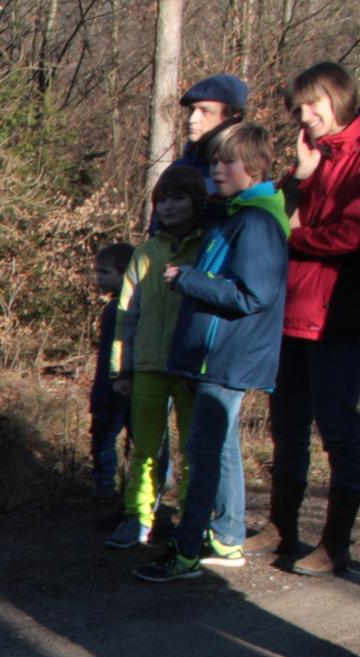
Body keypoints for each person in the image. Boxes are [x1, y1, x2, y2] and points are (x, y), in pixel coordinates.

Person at [136, 122, 291, 583]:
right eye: (214, 162)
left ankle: (185, 553)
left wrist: (189, 279)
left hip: (227, 357)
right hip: (219, 356)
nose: (217, 170)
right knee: (220, 450)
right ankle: (226, 538)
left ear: (254, 167)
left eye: (227, 162)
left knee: (202, 455)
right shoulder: (235, 214)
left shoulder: (256, 222)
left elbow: (254, 294)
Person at [255, 61, 360, 577]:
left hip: (340, 318)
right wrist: (299, 175)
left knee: (339, 432)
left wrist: (296, 237)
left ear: (338, 96)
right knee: (287, 427)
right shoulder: (312, 155)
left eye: (312, 103)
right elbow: (273, 216)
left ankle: (335, 545)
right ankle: (282, 527)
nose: (304, 115)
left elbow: (351, 235)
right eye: (297, 108)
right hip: (291, 312)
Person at [106, 165, 208, 549]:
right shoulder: (145, 253)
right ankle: (138, 517)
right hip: (148, 364)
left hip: (192, 367)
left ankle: (191, 519)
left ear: (196, 201)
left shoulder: (208, 248)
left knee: (194, 449)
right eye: (162, 200)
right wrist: (121, 369)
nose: (168, 207)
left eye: (177, 198)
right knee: (144, 448)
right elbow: (126, 315)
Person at [89, 243, 135, 505]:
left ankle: (108, 487)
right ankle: (107, 487)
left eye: (105, 272)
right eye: (97, 272)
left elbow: (114, 351)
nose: (99, 278)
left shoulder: (123, 309)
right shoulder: (115, 307)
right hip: (111, 385)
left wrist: (119, 378)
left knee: (106, 437)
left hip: (117, 387)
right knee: (105, 437)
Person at [169, 75, 250, 195]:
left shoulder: (246, 170)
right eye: (192, 110)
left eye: (205, 111)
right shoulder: (178, 170)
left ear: (233, 116)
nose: (192, 119)